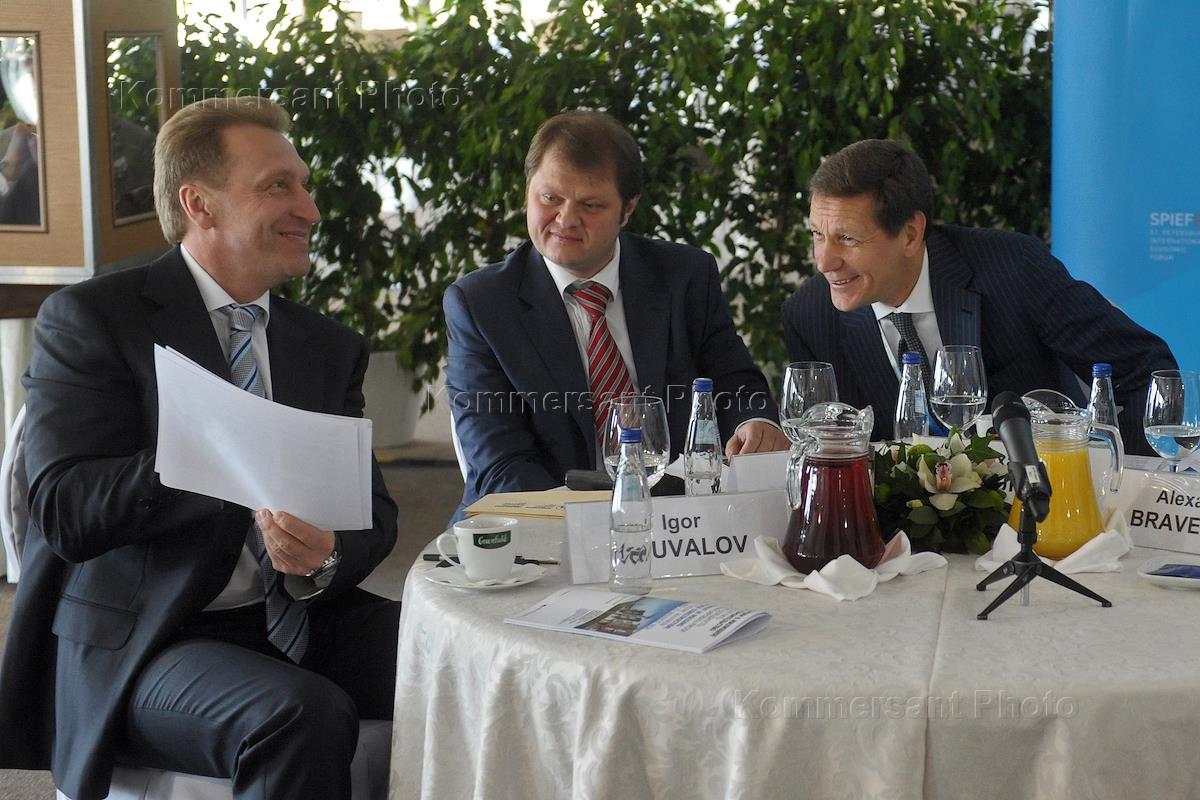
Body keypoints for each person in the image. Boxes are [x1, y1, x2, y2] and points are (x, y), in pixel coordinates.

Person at [0, 97, 401, 800]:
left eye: (305, 186)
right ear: (199, 204)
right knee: (301, 715)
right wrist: (213, 450)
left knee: (468, 655)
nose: (309, 209)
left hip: (295, 614)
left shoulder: (326, 346)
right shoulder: (95, 319)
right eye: (278, 186)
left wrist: (326, 555)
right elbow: (64, 513)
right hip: (151, 638)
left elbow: (373, 510)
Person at [445, 110, 788, 519]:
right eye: (550, 198)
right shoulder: (481, 304)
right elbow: (500, 465)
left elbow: (734, 381)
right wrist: (604, 522)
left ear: (627, 209)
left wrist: (755, 422)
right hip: (540, 523)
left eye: (590, 205)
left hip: (680, 520)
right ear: (527, 189)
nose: (565, 219)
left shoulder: (684, 276)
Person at [781, 138, 1176, 453]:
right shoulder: (811, 315)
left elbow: (1146, 370)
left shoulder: (1012, 268)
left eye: (847, 238)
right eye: (817, 234)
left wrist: (1109, 477)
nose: (824, 261)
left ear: (911, 234)